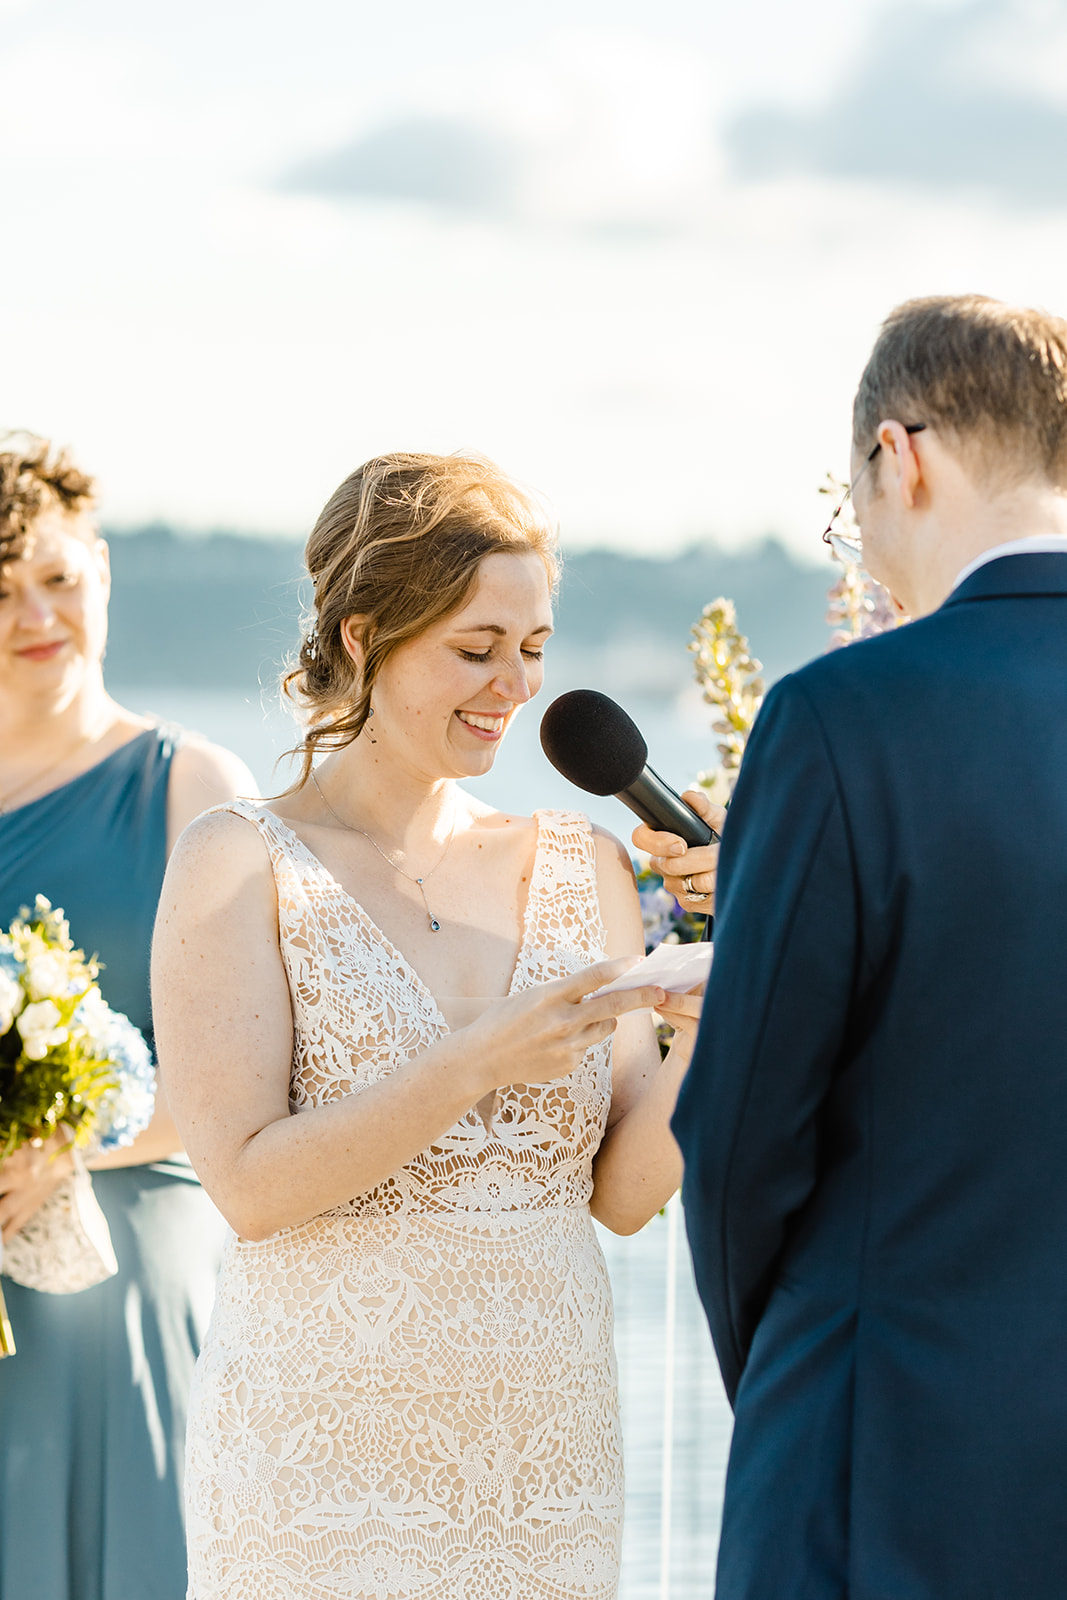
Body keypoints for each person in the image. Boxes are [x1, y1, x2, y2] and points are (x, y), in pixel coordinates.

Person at [151, 451, 701, 1600]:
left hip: (544, 1474)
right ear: (361, 635)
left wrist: (714, 1006)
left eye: (534, 650)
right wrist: (475, 1062)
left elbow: (622, 1193)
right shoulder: (236, 860)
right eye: (474, 648)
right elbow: (247, 1186)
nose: (513, 685)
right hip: (317, 1485)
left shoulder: (581, 863)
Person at [667, 294, 1067, 1598]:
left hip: (886, 1450)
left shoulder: (844, 719)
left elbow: (734, 1135)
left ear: (900, 458)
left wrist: (787, 1367)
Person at [0, 434, 256, 1600]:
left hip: (129, 1236)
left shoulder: (189, 784)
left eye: (56, 577)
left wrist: (72, 1145)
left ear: (101, 569)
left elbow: (260, 1067)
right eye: (0, 589)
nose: (34, 614)